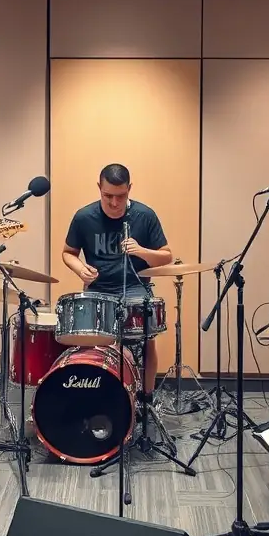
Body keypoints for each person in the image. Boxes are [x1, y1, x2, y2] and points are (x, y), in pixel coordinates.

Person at [61, 163, 173, 401]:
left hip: (134, 287)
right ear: (99, 188)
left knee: (146, 339)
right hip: (98, 288)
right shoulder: (84, 217)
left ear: (130, 189)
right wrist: (81, 269)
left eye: (120, 196)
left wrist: (142, 251)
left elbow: (167, 256)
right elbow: (68, 252)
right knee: (89, 344)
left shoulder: (145, 215)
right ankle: (95, 394)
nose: (114, 203)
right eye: (107, 196)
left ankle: (146, 397)